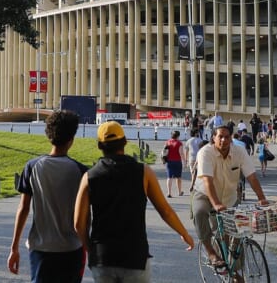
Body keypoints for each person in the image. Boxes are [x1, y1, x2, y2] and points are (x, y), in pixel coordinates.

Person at [74, 121, 194, 282]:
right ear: (125, 142)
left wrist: (91, 249)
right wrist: (184, 233)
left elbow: (78, 224)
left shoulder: (89, 177)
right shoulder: (144, 172)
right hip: (135, 257)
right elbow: (165, 211)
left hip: (103, 257)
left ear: (99, 145)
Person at [8, 110, 88, 283]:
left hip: (41, 248)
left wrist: (14, 248)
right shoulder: (81, 171)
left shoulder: (32, 167)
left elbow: (23, 209)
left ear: (48, 136)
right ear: (71, 140)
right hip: (71, 248)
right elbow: (85, 215)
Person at [192, 126, 269, 283]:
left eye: (227, 137)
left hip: (230, 198)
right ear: (213, 138)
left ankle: (233, 272)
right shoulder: (205, 152)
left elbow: (252, 176)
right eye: (220, 137)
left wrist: (262, 198)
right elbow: (207, 181)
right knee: (199, 212)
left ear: (231, 138)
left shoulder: (239, 152)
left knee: (235, 234)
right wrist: (216, 203)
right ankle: (210, 251)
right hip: (205, 194)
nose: (224, 140)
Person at [164, 130, 186, 197]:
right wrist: (184, 161)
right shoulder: (179, 143)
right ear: (178, 136)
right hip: (177, 162)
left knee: (169, 177)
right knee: (178, 177)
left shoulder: (167, 142)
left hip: (169, 162)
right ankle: (179, 192)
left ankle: (169, 193)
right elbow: (181, 153)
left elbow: (164, 151)